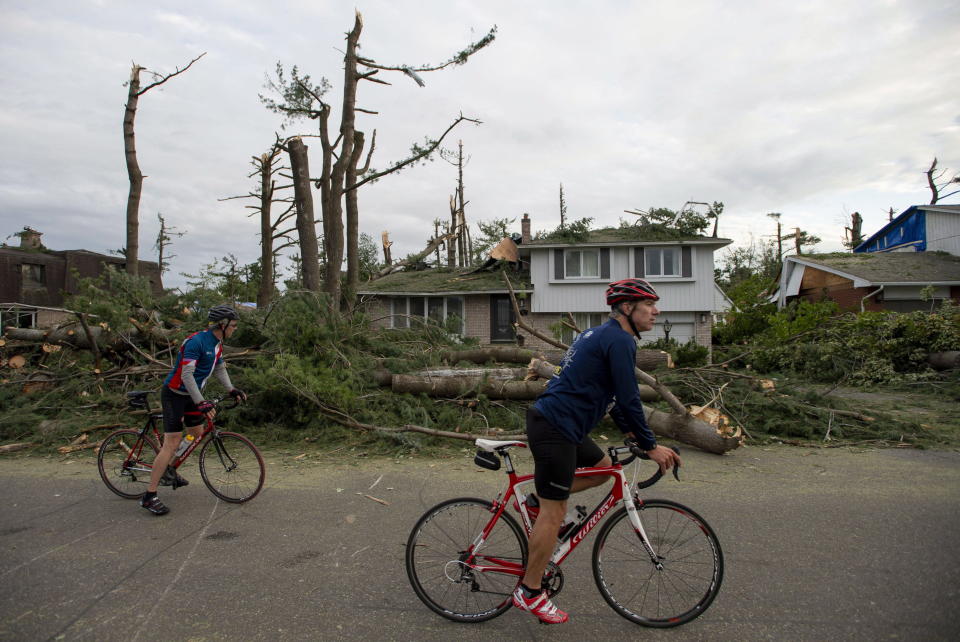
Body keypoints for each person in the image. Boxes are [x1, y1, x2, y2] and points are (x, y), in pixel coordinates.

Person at [511, 278, 682, 624]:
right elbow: (631, 397)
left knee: (604, 470)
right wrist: (650, 446)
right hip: (555, 426)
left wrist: (633, 432)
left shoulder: (601, 334)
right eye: (649, 304)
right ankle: (529, 591)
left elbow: (616, 399)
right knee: (555, 511)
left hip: (565, 425)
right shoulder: (619, 340)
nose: (656, 311)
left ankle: (535, 502)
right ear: (626, 308)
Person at [139, 304, 248, 516]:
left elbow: (218, 368)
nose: (235, 328)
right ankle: (149, 496)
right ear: (222, 324)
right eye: (233, 325)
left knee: (196, 433)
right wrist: (201, 402)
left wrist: (232, 389)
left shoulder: (217, 344)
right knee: (171, 442)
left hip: (191, 396)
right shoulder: (196, 342)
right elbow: (187, 376)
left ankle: (169, 468)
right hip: (174, 395)